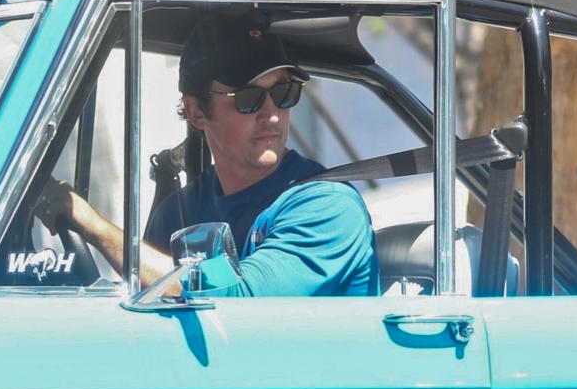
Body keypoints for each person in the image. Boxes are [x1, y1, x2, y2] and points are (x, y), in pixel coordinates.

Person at [35, 16, 378, 296]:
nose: (272, 114)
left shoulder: (327, 206)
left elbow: (236, 302)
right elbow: (147, 305)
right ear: (197, 111)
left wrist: (92, 225)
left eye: (283, 92)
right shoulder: (178, 213)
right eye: (248, 98)